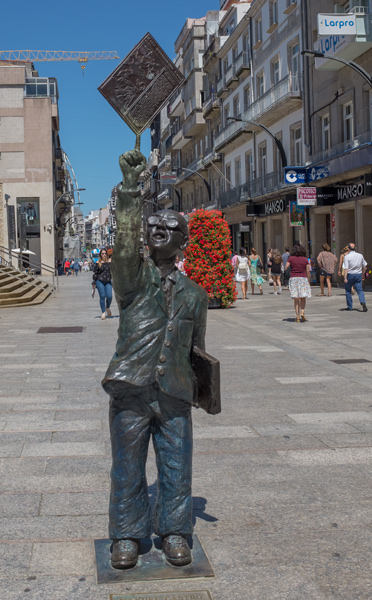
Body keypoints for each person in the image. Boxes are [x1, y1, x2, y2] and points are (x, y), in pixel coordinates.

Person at [101, 148, 209, 570]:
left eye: (170, 225)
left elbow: (195, 349)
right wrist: (131, 189)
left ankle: (175, 530)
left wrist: (200, 390)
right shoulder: (133, 278)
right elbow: (125, 244)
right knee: (128, 467)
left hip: (175, 393)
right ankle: (127, 535)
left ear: (183, 242)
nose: (159, 228)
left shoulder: (196, 296)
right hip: (131, 388)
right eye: (154, 225)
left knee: (177, 465)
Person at [285, 243, 311, 322]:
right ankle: (302, 311)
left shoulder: (291, 258)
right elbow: (308, 270)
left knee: (296, 299)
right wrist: (308, 280)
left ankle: (297, 316)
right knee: (303, 297)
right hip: (303, 278)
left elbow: (286, 267)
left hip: (293, 278)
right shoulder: (305, 259)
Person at [342, 243, 368, 312]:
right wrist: (363, 274)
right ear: (355, 248)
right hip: (358, 274)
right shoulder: (360, 255)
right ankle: (363, 302)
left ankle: (350, 306)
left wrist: (345, 277)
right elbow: (364, 266)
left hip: (350, 275)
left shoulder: (347, 257)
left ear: (348, 249)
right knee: (360, 290)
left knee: (348, 290)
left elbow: (346, 268)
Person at [92, 249, 113, 320]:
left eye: (105, 253)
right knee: (102, 296)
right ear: (100, 255)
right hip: (100, 281)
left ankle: (107, 307)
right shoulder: (98, 262)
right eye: (102, 253)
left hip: (108, 281)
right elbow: (95, 272)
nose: (104, 255)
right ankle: (103, 312)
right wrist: (94, 282)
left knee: (109, 296)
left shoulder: (110, 262)